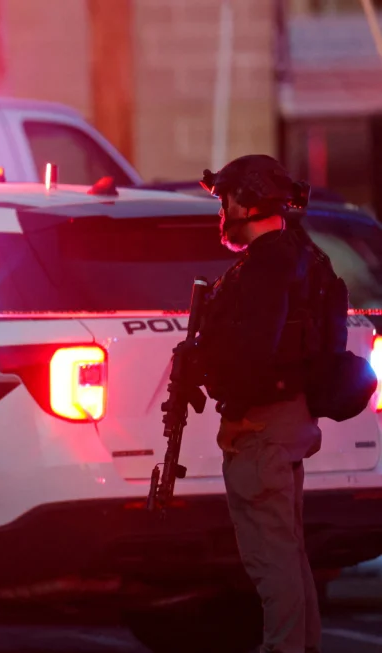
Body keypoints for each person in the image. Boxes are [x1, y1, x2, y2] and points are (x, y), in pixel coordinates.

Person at [196, 155, 330, 653]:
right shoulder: (300, 256)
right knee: (288, 556)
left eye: (226, 200)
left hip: (262, 428)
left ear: (247, 202)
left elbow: (254, 354)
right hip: (287, 423)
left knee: (272, 562)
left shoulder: (264, 269)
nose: (223, 211)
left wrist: (233, 404)